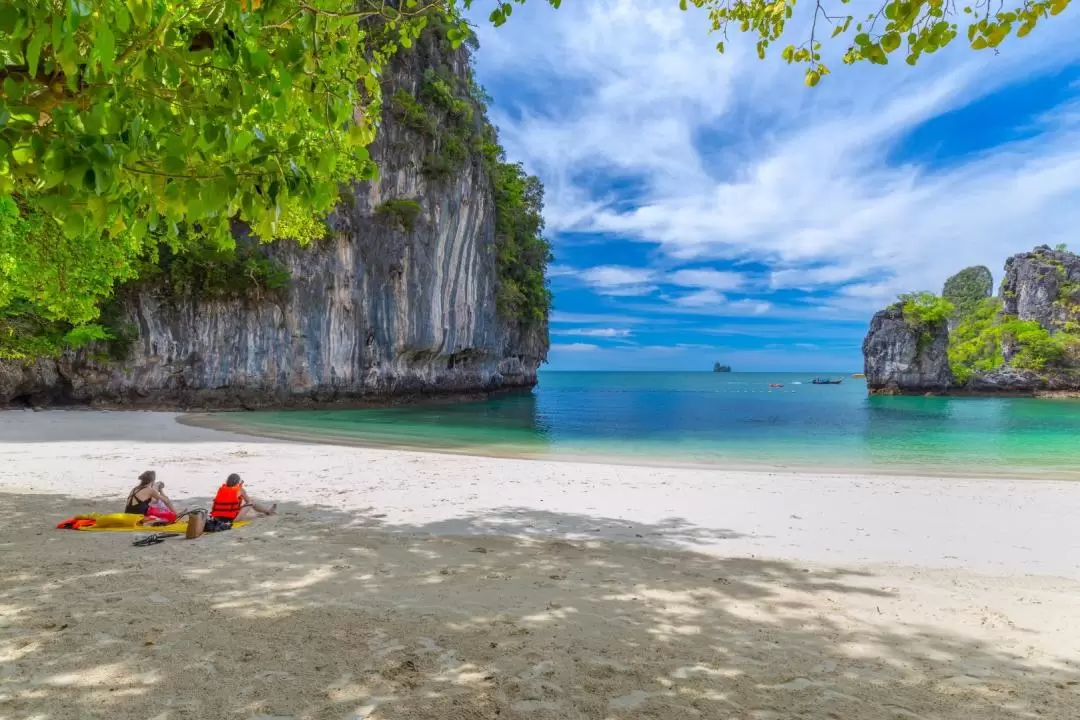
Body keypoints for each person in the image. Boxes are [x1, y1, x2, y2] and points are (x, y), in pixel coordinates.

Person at [210, 473, 276, 522]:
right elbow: (248, 501)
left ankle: (265, 511)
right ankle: (268, 511)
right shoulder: (240, 490)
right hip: (232, 519)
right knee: (252, 502)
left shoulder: (221, 489)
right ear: (238, 482)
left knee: (239, 505)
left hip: (216, 518)